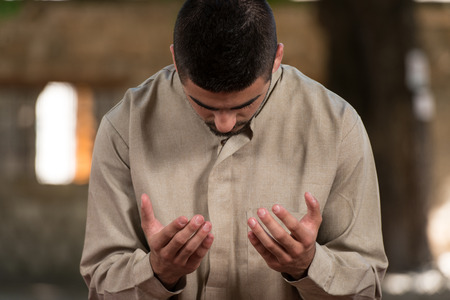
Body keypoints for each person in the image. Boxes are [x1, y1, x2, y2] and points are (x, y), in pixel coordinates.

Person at [80, 0, 388, 299]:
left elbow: (366, 284)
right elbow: (101, 281)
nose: (225, 123)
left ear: (276, 59)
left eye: (243, 105)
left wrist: (309, 266)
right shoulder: (125, 127)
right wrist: (156, 272)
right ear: (175, 60)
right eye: (204, 105)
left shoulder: (337, 126)